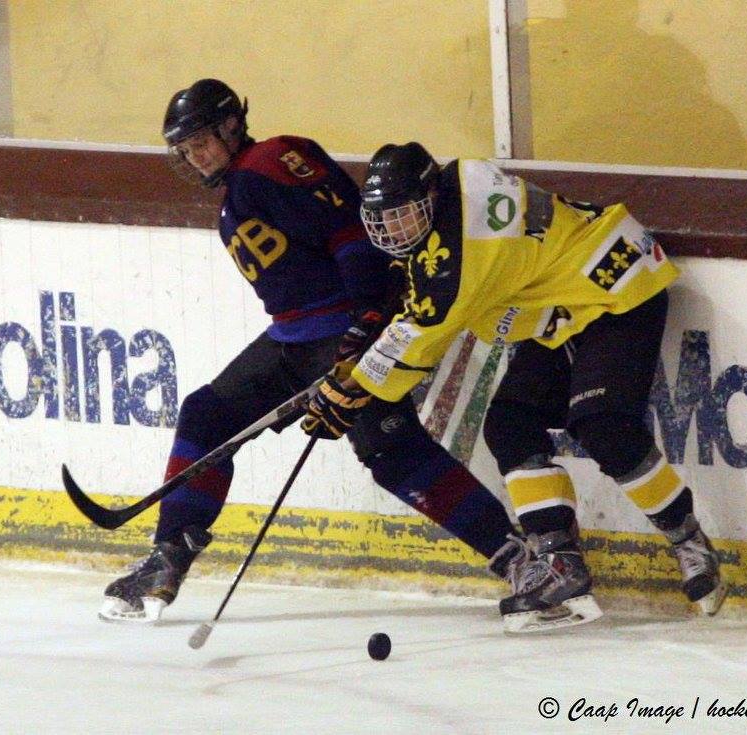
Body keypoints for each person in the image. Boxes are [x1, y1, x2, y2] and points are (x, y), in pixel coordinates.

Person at [101, 81, 521, 622]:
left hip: (344, 327)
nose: (194, 155)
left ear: (232, 126)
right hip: (292, 340)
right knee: (207, 415)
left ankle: (519, 559)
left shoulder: (271, 159)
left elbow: (348, 231)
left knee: (390, 450)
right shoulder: (240, 189)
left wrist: (369, 315)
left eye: (201, 140)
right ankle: (166, 560)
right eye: (185, 149)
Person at [304, 142, 727, 632]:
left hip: (615, 288)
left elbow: (421, 337)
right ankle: (559, 566)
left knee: (602, 426)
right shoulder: (457, 184)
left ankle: (688, 540)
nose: (394, 230)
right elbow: (421, 298)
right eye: (385, 219)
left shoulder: (462, 255)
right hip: (559, 305)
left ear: (429, 198)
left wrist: (352, 390)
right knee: (508, 423)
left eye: (403, 215)